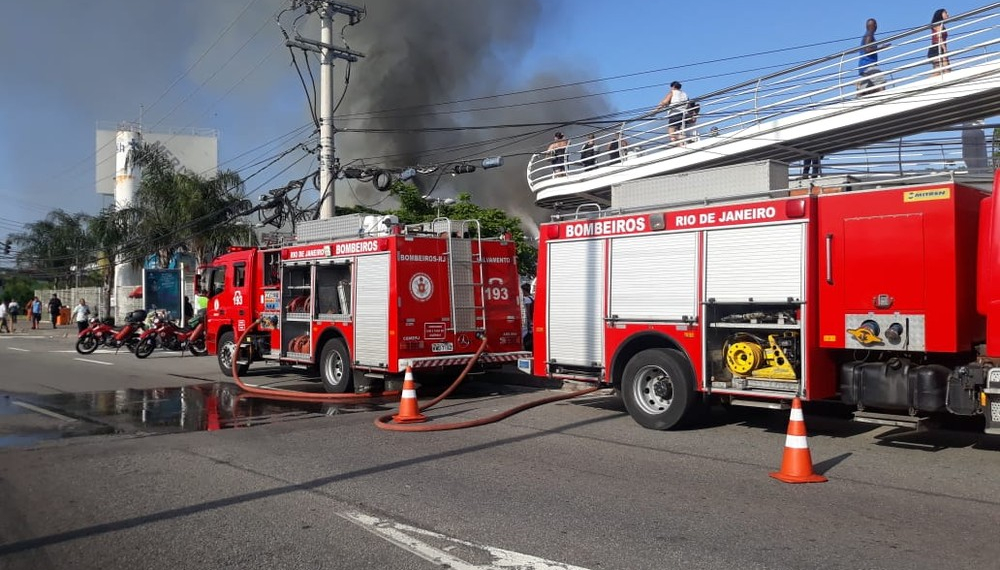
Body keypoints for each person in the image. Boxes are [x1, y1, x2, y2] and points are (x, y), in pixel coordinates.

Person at [858, 18, 889, 96]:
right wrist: (881, 48)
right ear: (873, 26)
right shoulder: (869, 34)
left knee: (866, 87)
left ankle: (859, 98)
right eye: (875, 24)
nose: (876, 26)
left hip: (863, 66)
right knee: (880, 80)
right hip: (869, 65)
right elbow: (867, 49)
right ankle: (884, 99)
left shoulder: (867, 34)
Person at [928, 9, 950, 77]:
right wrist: (945, 49)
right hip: (937, 48)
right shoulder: (938, 25)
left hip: (938, 48)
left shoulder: (941, 25)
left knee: (942, 70)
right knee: (942, 70)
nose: (948, 14)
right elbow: (939, 36)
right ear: (940, 14)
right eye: (945, 12)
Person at [520, 283, 534, 351]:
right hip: (533, 320)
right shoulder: (532, 298)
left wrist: (529, 322)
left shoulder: (526, 299)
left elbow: (527, 313)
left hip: (529, 323)